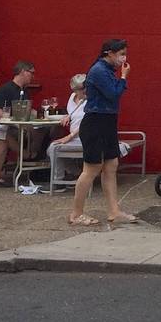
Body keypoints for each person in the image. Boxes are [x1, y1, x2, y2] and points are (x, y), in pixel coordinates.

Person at [68, 39, 137, 227]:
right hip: (95, 122)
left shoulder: (107, 70)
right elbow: (113, 93)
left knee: (111, 165)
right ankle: (76, 213)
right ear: (109, 53)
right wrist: (124, 77)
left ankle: (114, 211)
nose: (123, 57)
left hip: (107, 121)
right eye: (121, 53)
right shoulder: (99, 70)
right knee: (91, 169)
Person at [0, 60, 47, 161]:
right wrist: (14, 120)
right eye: (32, 73)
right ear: (23, 71)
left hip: (22, 125)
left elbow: (28, 110)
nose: (33, 76)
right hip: (9, 127)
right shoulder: (6, 89)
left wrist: (45, 116)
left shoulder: (25, 90)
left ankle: (33, 156)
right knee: (34, 131)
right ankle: (29, 156)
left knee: (48, 129)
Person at [47, 74, 88, 183]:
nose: (84, 90)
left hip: (84, 137)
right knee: (52, 147)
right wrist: (68, 116)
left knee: (53, 148)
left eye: (85, 87)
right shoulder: (72, 97)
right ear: (74, 89)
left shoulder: (91, 100)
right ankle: (73, 173)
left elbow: (86, 122)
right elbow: (74, 113)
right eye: (81, 89)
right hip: (74, 137)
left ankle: (60, 179)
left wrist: (69, 137)